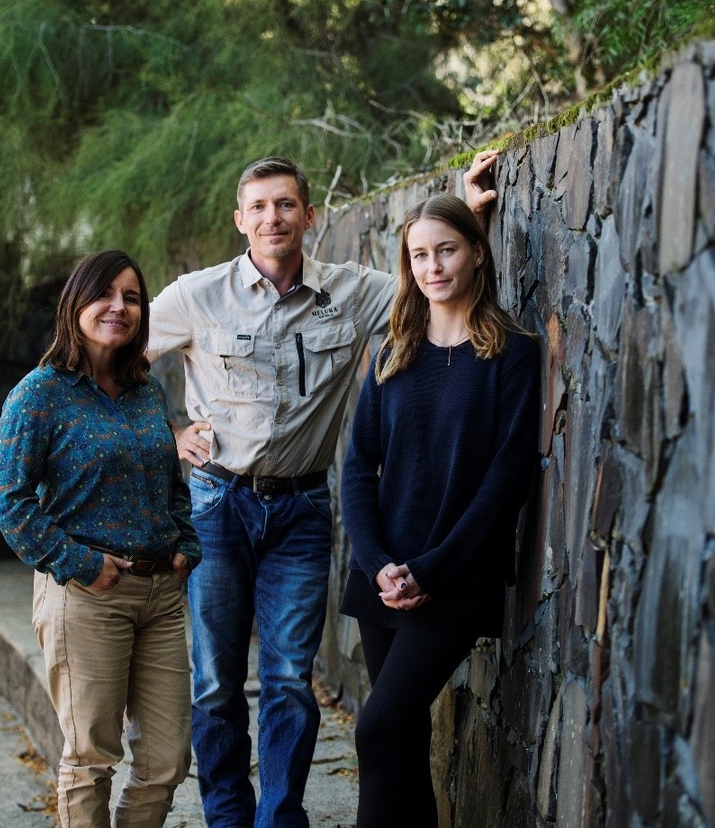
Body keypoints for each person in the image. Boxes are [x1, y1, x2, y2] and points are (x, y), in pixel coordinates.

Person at [145, 154, 490, 828]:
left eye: (285, 205)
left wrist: (469, 211)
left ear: (309, 215)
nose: (272, 218)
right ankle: (228, 819)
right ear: (240, 220)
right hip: (217, 506)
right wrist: (171, 432)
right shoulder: (196, 295)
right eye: (258, 206)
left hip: (302, 511)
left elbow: (432, 276)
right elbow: (115, 357)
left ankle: (280, 820)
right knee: (215, 684)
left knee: (288, 682)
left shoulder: (354, 291)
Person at [339, 193, 541, 828]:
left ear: (477, 252)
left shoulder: (511, 353)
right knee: (402, 740)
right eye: (420, 255)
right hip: (384, 575)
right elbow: (357, 468)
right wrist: (377, 563)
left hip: (454, 576)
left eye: (446, 250)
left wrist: (430, 569)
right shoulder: (393, 352)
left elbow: (505, 481)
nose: (433, 266)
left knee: (378, 728)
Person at [0, 249, 202, 828]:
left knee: (167, 761)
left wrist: (185, 543)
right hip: (86, 596)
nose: (119, 307)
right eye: (104, 294)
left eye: (131, 297)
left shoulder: (145, 390)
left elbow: (170, 480)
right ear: (74, 304)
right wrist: (82, 564)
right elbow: (9, 502)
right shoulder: (40, 394)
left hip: (161, 597)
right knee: (90, 759)